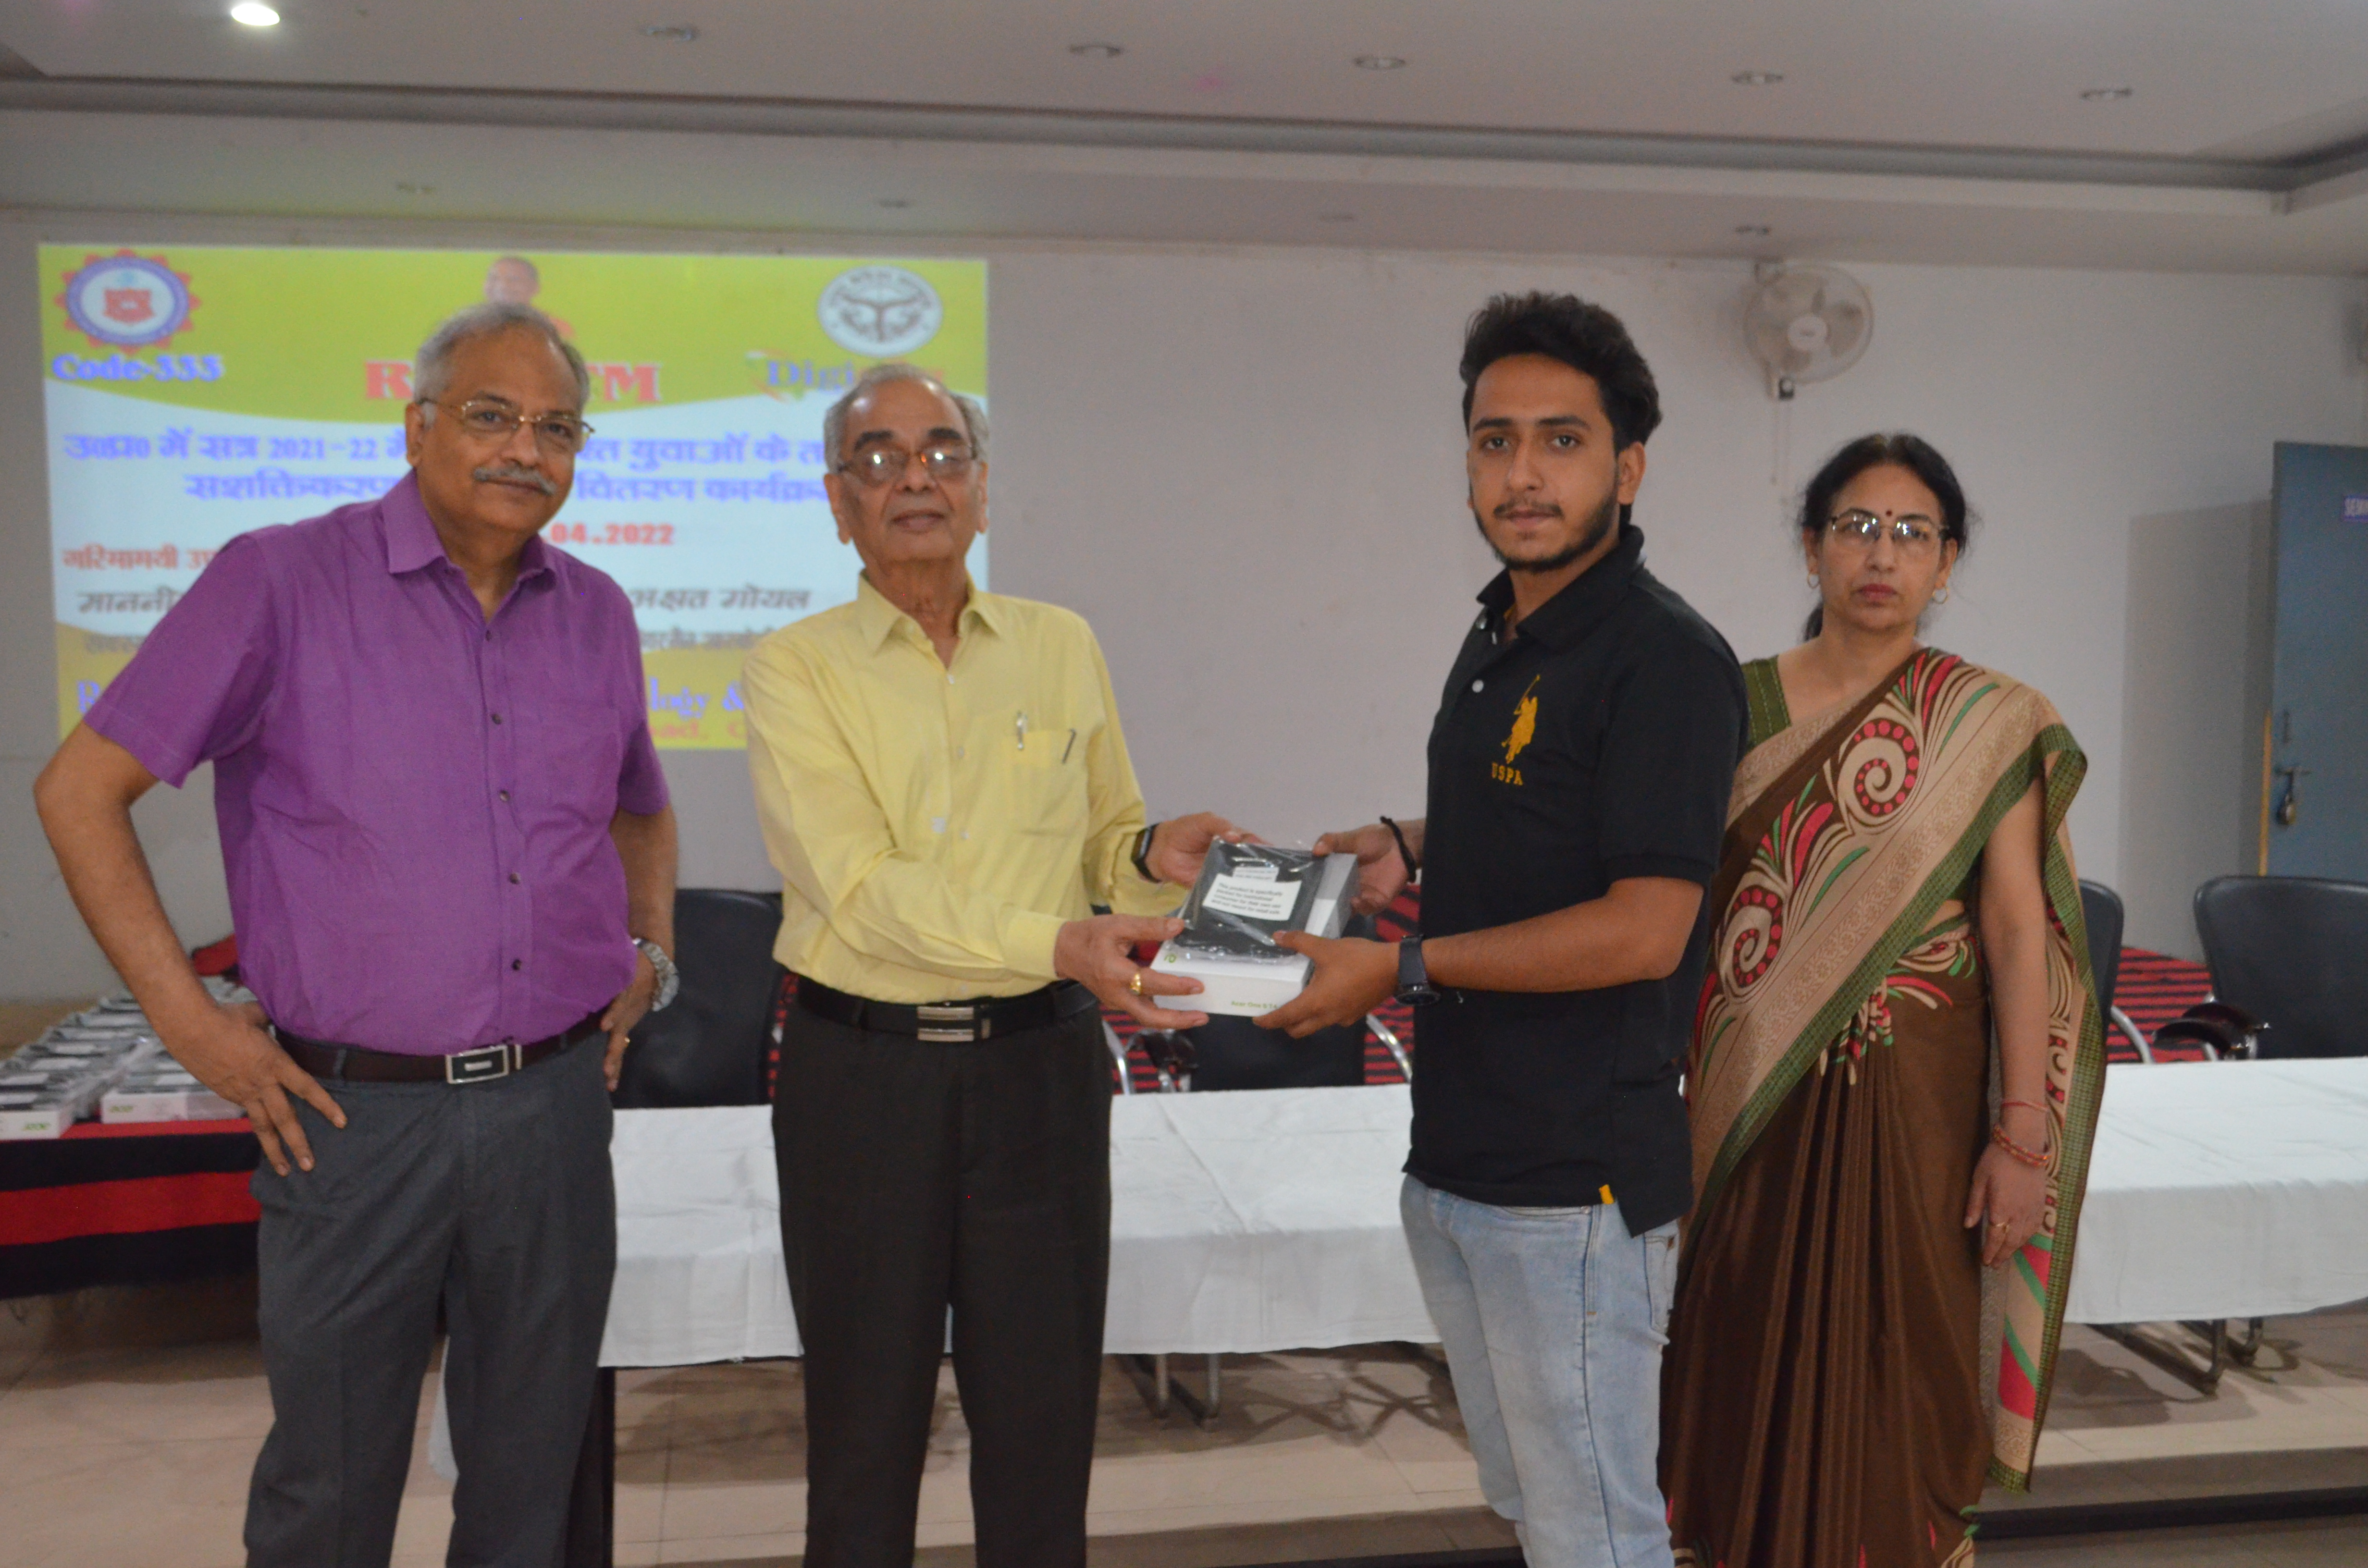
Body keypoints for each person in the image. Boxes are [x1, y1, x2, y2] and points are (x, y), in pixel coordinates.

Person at [33, 301, 678, 1568]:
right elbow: (76, 792)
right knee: (329, 1492)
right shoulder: (277, 581)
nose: (525, 449)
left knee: (533, 1484)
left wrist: (650, 949)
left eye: (557, 428)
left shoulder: (597, 609)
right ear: (417, 425)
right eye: (491, 416)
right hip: (352, 1120)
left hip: (555, 1109)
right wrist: (186, 1021)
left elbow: (640, 806)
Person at [1261, 292, 1745, 1568]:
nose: (1523, 473)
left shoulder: (1665, 660)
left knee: (1598, 1534)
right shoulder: (1504, 629)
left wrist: (1401, 965)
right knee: (1537, 1513)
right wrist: (1410, 845)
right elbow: (1555, 806)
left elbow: (1646, 928)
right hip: (1462, 1159)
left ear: (1627, 468)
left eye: (1561, 440)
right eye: (1495, 440)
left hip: (1574, 1184)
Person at [740, 362, 1241, 1568]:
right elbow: (862, 891)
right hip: (864, 1082)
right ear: (837, 502)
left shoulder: (1059, 645)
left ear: (980, 488)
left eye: (943, 452)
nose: (915, 477)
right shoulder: (792, 667)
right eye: (880, 458)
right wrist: (1054, 942)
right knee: (863, 1436)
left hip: (1038, 1078)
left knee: (1043, 1428)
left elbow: (1101, 845)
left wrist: (1152, 859)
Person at [1657, 434, 2107, 1568]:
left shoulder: (1986, 720)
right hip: (1753, 1100)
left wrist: (2023, 1137)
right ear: (1810, 547)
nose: (1881, 554)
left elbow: (2016, 929)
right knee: (1742, 1346)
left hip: (1923, 1116)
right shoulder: (1729, 704)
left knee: (1905, 1356)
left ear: (1946, 563)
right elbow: (1646, 872)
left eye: (1912, 534)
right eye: (1856, 526)